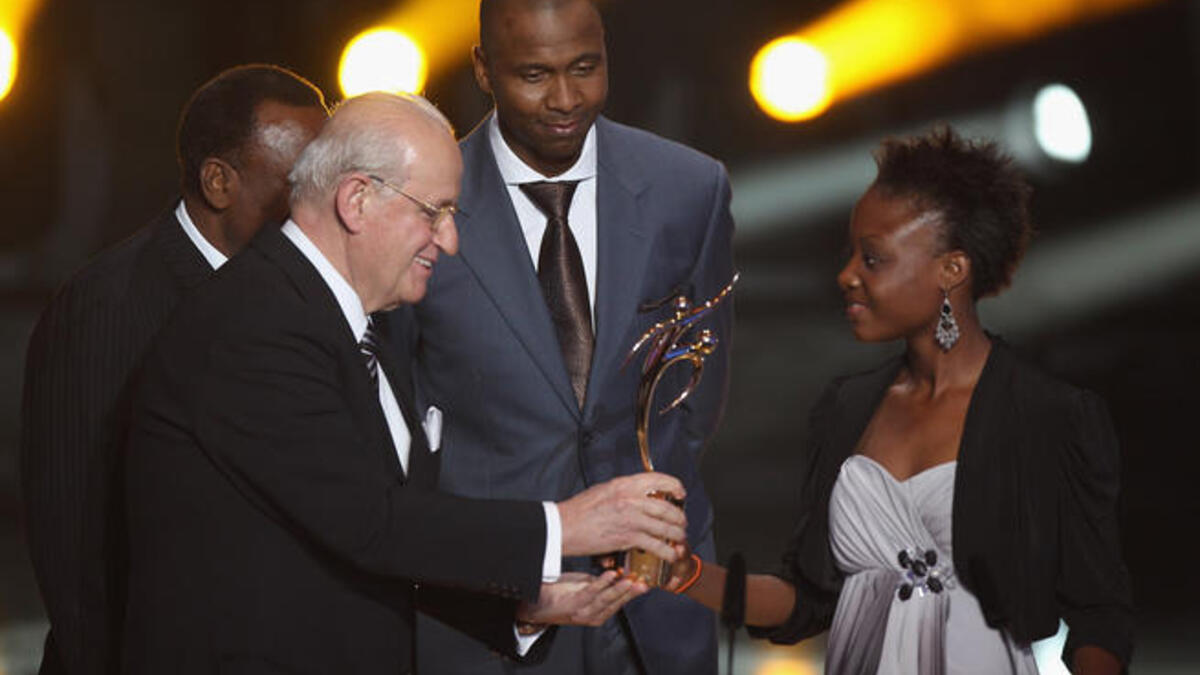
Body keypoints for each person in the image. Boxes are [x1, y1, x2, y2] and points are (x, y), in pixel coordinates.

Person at [121, 91, 691, 675]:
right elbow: (369, 520)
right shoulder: (250, 324)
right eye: (433, 211)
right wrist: (567, 523)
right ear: (357, 200)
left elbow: (363, 544)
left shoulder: (368, 328)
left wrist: (521, 609)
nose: (449, 240)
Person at [669, 127, 1134, 674]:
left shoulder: (1050, 415)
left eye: (873, 259)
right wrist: (686, 576)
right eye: (850, 255)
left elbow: (1100, 616)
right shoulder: (846, 408)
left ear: (951, 270)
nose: (846, 275)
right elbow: (809, 599)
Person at [402, 0, 735, 673]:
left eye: (585, 67)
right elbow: (402, 430)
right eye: (534, 74)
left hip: (660, 607)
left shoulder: (688, 187)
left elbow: (697, 398)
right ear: (483, 69)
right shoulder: (420, 204)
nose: (564, 98)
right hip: (499, 613)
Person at [20, 63, 328, 675]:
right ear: (218, 182)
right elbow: (76, 544)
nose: (324, 203)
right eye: (299, 182)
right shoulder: (107, 309)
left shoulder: (314, 293)